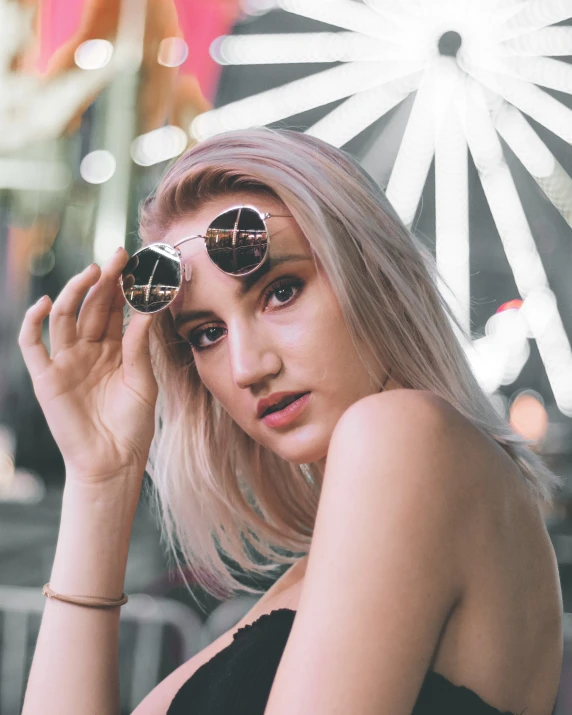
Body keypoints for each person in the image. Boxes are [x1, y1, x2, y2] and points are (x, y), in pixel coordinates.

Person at [18, 127, 563, 715]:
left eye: (281, 291)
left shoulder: (405, 433)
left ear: (376, 277)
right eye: (206, 333)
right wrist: (100, 479)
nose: (248, 366)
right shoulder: (307, 579)